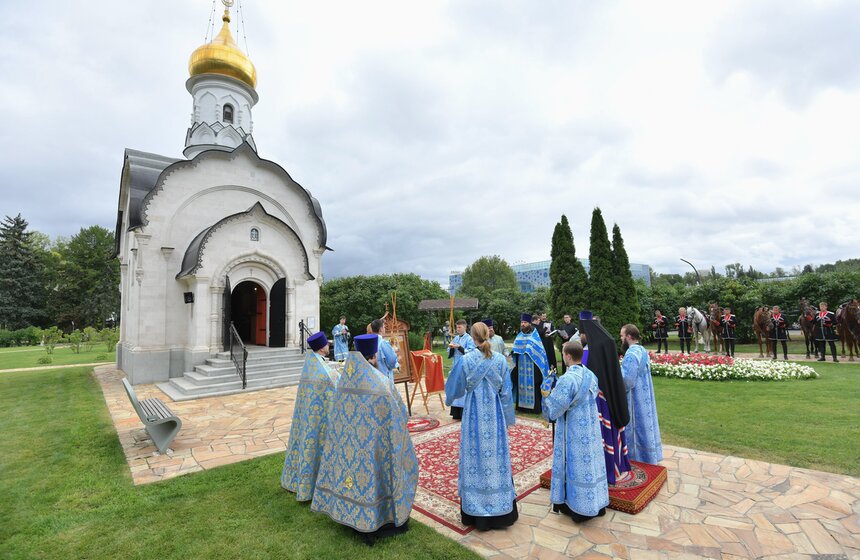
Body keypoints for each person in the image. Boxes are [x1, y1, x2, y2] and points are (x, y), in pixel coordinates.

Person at [311, 334, 419, 544]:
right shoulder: (380, 382)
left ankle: (350, 514)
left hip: (352, 449)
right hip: (375, 446)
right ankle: (380, 520)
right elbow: (399, 413)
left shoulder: (344, 380)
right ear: (374, 355)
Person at [445, 322, 518, 530]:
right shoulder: (501, 361)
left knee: (474, 457)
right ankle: (500, 509)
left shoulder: (466, 361)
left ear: (473, 337)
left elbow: (455, 387)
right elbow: (506, 393)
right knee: (496, 457)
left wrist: (449, 398)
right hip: (495, 418)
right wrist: (508, 419)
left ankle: (476, 512)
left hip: (474, 418)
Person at [542, 340, 609, 522]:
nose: (562, 356)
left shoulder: (567, 379)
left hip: (573, 430)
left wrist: (546, 393)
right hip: (590, 427)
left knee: (575, 464)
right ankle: (596, 502)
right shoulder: (591, 375)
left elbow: (554, 409)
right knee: (590, 464)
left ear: (568, 356)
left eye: (563, 353)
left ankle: (578, 507)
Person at [281, 332, 340, 501]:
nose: (329, 346)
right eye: (327, 344)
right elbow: (335, 384)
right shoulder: (322, 371)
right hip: (320, 420)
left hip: (308, 416)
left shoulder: (310, 364)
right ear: (322, 348)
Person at [579, 311, 631, 484]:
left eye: (581, 333)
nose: (580, 337)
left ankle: (606, 470)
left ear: (587, 332)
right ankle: (617, 465)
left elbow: (584, 374)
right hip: (611, 395)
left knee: (603, 435)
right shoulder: (606, 341)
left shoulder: (591, 349)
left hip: (600, 400)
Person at [620, 324, 663, 465]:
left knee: (635, 427)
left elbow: (628, 380)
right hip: (644, 394)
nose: (620, 339)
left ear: (628, 337)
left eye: (622, 336)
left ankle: (635, 459)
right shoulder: (642, 350)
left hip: (635, 398)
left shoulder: (631, 354)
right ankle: (648, 457)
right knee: (645, 425)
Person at [510, 313, 549, 414]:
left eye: (525, 322)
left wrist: (528, 349)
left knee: (534, 385)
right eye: (522, 322)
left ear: (529, 323)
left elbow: (539, 351)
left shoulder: (534, 335)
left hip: (533, 365)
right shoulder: (519, 336)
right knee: (520, 384)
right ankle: (522, 407)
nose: (523, 324)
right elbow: (515, 349)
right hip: (521, 366)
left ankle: (534, 408)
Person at [448, 319, 477, 420]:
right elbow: (450, 352)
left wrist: (459, 347)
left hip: (464, 367)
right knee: (455, 387)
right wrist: (452, 348)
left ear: (465, 327)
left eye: (459, 327)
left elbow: (471, 352)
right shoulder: (455, 338)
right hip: (455, 365)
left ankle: (463, 413)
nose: (458, 329)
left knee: (463, 389)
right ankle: (456, 413)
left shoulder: (469, 339)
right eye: (457, 327)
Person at [370, 319, 399, 384]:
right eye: (384, 327)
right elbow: (392, 360)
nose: (384, 329)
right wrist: (393, 351)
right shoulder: (383, 343)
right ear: (380, 329)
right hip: (384, 377)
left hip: (372, 378)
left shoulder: (368, 343)